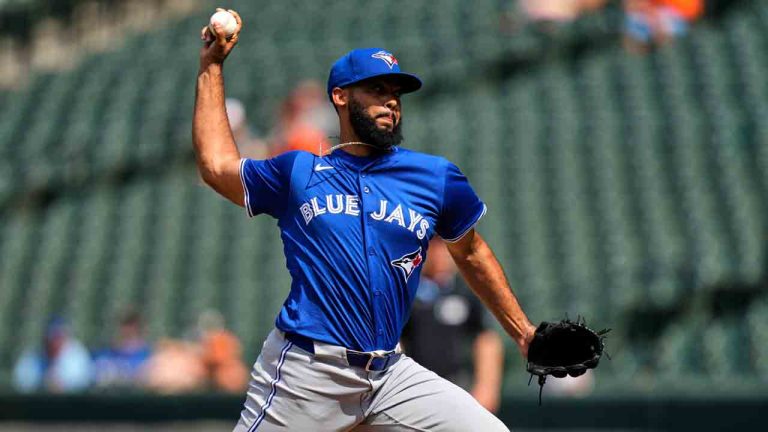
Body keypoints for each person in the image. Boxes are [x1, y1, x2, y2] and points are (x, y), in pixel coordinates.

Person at [194, 9, 537, 431]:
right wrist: (212, 66)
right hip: (307, 370)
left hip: (389, 374)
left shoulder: (433, 177)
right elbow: (215, 165)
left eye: (396, 92)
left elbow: (471, 251)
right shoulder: (299, 173)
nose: (391, 100)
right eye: (377, 89)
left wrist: (523, 333)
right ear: (340, 96)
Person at [401, 238, 504, 413]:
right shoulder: (408, 291)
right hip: (417, 389)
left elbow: (486, 340)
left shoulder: (466, 291)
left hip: (459, 387)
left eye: (446, 247)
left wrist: (486, 387)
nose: (441, 254)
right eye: (435, 247)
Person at [12, 317, 93, 393]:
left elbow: (83, 382)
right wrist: (42, 384)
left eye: (58, 337)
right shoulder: (32, 356)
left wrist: (62, 385)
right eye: (52, 338)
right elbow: (20, 382)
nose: (55, 342)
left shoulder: (77, 355)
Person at [92, 309, 152, 390]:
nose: (127, 330)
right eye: (124, 325)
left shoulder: (148, 358)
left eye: (131, 326)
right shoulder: (104, 355)